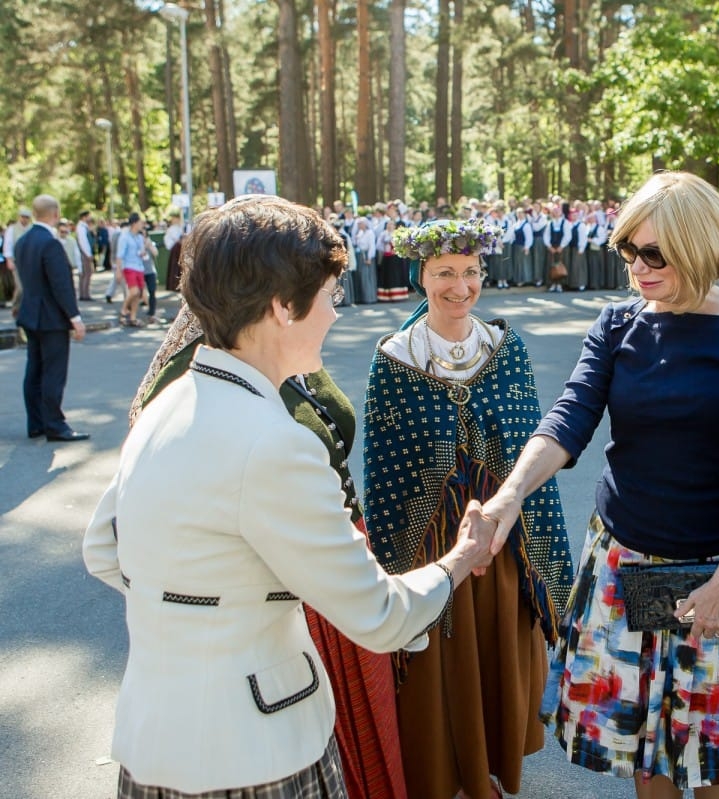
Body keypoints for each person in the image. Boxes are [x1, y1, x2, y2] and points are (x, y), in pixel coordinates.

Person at [82, 195, 494, 798]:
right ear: (282, 307)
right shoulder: (277, 443)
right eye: (330, 297)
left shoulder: (165, 404)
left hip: (153, 737)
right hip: (257, 752)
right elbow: (379, 616)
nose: (335, 315)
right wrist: (460, 558)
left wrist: (198, 603)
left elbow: (102, 550)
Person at [470, 171, 719, 799]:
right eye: (627, 249)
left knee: (713, 759)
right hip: (625, 560)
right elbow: (569, 418)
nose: (636, 267)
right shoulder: (618, 324)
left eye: (654, 254)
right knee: (646, 754)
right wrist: (509, 495)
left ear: (699, 248)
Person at [361, 218, 574, 799]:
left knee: (499, 650)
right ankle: (445, 775)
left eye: (470, 272)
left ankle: (490, 768)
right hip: (430, 547)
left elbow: (529, 448)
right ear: (420, 278)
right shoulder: (395, 359)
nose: (460, 286)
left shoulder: (507, 351)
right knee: (442, 664)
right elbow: (385, 472)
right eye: (444, 274)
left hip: (503, 545)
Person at [15, 195, 88, 442]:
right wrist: (74, 317)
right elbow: (61, 285)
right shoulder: (51, 244)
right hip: (51, 317)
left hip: (30, 313)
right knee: (53, 372)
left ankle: (36, 422)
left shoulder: (23, 241)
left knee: (33, 369)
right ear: (55, 213)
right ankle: (55, 425)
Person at [116, 213, 147, 327]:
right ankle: (124, 309)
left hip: (139, 266)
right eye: (140, 223)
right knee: (134, 291)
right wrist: (119, 270)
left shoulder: (139, 237)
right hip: (129, 266)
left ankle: (133, 316)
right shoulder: (124, 237)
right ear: (134, 223)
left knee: (138, 294)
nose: (142, 225)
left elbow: (141, 251)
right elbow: (120, 255)